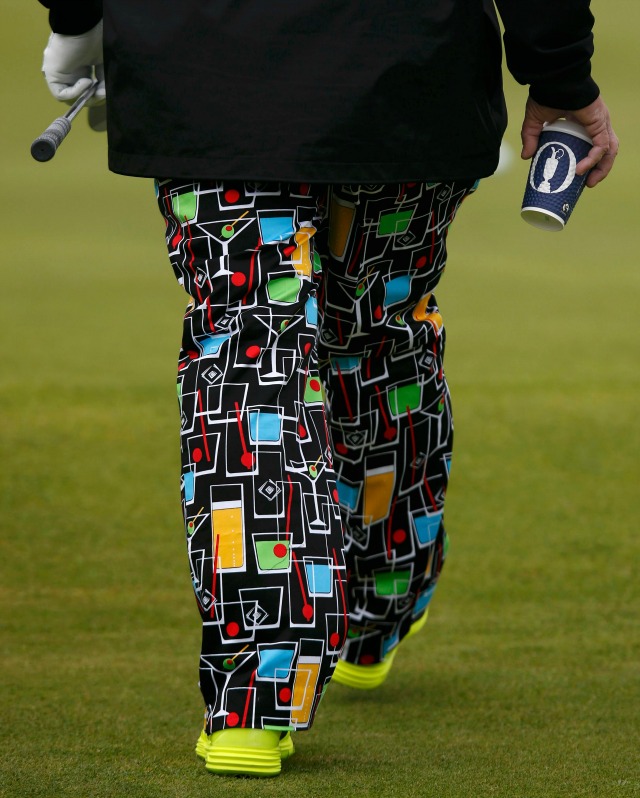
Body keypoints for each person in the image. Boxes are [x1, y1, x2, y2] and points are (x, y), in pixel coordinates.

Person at [38, 0, 618, 779]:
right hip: (407, 70)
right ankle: (378, 597)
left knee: (249, 353)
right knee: (378, 341)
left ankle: (257, 694)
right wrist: (561, 75)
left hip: (207, 74)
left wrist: (78, 20)